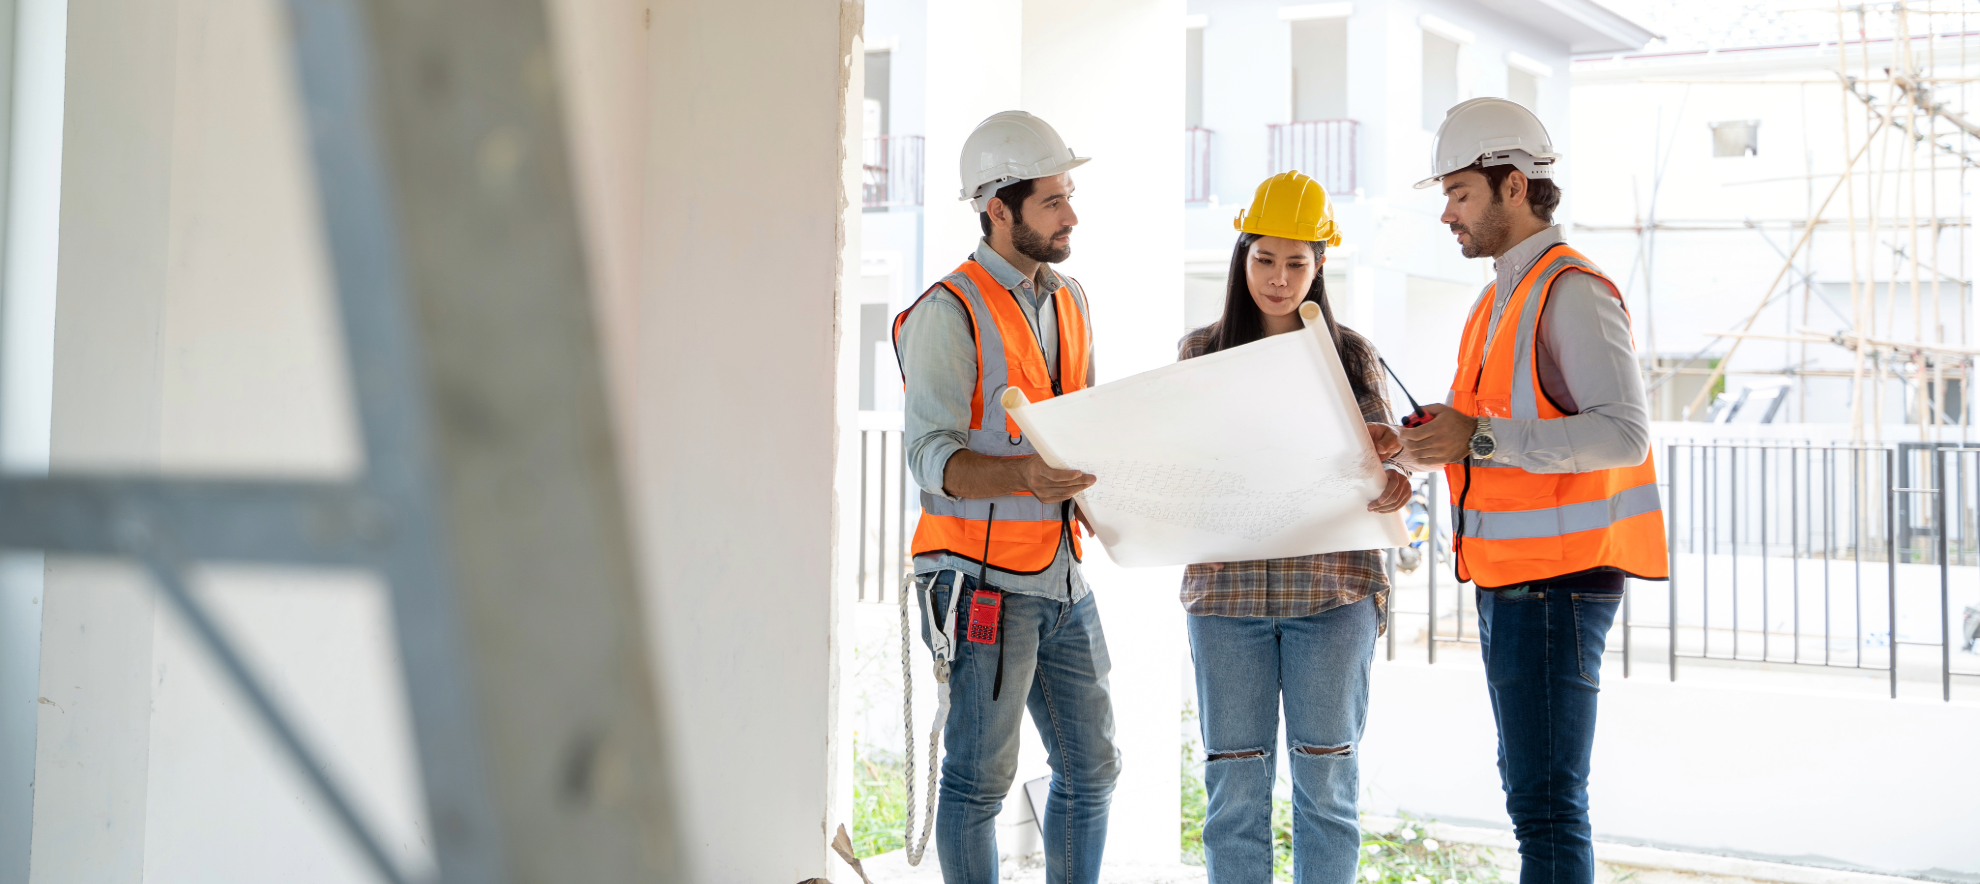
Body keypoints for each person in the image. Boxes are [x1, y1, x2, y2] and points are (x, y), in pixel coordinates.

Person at [1398, 98, 1669, 884]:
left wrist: (1476, 436)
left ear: (1513, 185)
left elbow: (1623, 433)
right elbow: (1481, 431)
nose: (1447, 213)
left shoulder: (1571, 290)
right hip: (1513, 580)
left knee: (1547, 807)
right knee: (1533, 797)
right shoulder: (1498, 297)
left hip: (1559, 584)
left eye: (1459, 193)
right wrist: (1418, 444)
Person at [891, 110, 1119, 884]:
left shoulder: (1070, 300)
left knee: (1094, 768)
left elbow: (1080, 420)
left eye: (1068, 195)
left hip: (1059, 577)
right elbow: (929, 458)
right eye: (1053, 201)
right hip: (980, 585)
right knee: (977, 784)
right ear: (998, 208)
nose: (1071, 215)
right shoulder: (946, 314)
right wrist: (1026, 476)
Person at [1180, 170, 1411, 884]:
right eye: (1265, 259)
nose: (1279, 279)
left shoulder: (1351, 355)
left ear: (1319, 267)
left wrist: (1395, 475)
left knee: (1327, 791)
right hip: (1228, 600)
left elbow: (1383, 459)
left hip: (1332, 594)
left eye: (1297, 263)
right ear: (1241, 257)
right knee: (1234, 794)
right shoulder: (1200, 353)